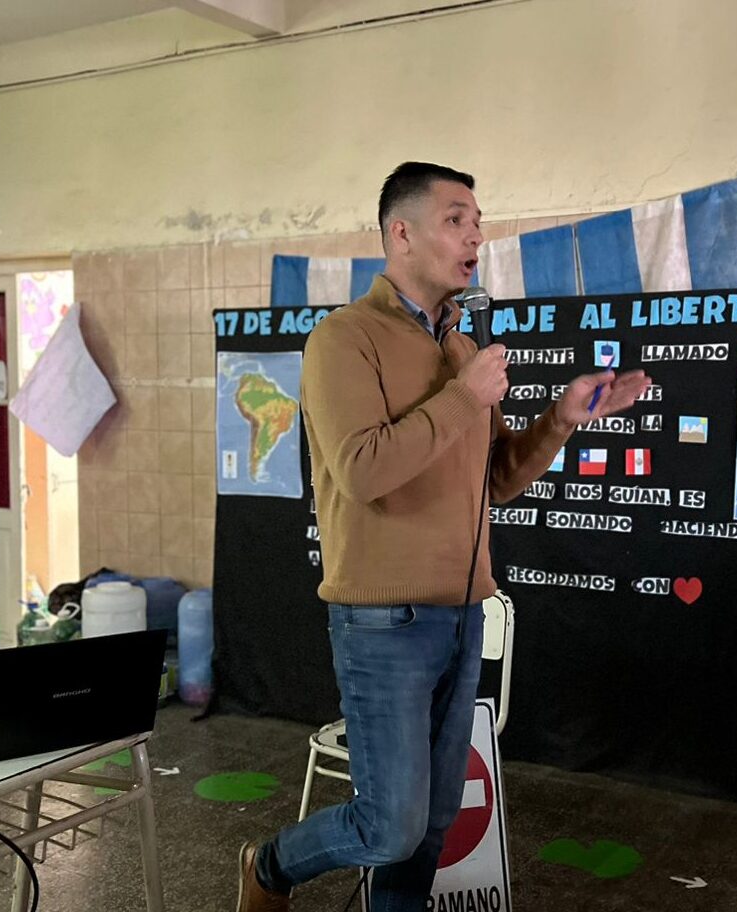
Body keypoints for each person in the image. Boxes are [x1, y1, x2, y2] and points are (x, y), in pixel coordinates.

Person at [237, 162, 650, 912]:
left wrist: (561, 419)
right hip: (381, 622)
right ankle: (270, 867)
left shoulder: (461, 347)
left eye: (478, 219)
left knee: (428, 828)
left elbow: (493, 478)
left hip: (463, 613)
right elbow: (362, 471)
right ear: (401, 233)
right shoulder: (342, 339)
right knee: (389, 826)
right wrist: (464, 398)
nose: (476, 235)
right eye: (457, 218)